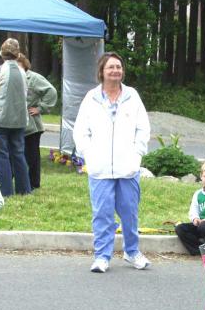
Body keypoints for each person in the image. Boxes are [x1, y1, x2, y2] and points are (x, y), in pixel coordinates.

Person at [73, 52, 151, 273]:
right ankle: (102, 256)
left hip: (128, 168)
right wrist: (89, 154)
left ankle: (132, 251)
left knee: (129, 212)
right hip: (100, 169)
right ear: (102, 71)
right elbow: (81, 131)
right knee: (103, 213)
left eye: (118, 67)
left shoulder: (132, 96)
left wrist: (137, 155)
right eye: (111, 67)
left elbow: (143, 128)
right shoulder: (91, 98)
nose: (115, 71)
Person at [0, 38, 31, 196]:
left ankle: (6, 191)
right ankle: (24, 189)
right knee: (18, 154)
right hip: (19, 120)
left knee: (2, 156)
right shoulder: (23, 72)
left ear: (2, 53)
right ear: (18, 55)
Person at [17, 53, 57, 189]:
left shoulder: (33, 78)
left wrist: (41, 108)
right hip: (17, 122)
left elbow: (51, 91)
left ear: (23, 64)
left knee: (32, 156)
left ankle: (34, 183)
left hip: (32, 126)